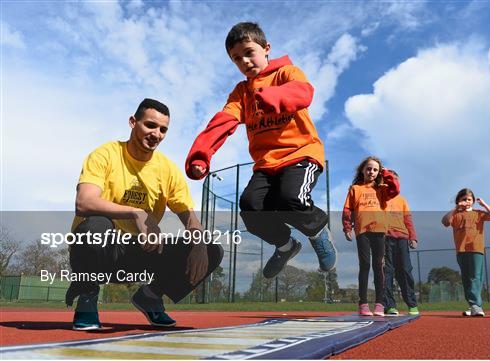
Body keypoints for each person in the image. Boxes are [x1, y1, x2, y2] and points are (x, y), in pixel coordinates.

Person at [185, 22, 335, 279]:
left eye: (249, 52)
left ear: (266, 49)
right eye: (236, 59)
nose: (244, 61)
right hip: (267, 164)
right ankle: (286, 246)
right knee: (250, 207)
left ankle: (318, 230)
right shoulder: (241, 92)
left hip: (300, 153)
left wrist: (271, 97)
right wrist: (202, 154)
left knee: (291, 199)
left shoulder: (287, 72)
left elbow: (303, 93)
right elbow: (224, 120)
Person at [67, 98, 223, 331]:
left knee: (211, 249)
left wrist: (199, 246)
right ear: (133, 122)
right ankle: (88, 295)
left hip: (140, 253)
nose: (156, 134)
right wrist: (135, 212)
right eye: (150, 125)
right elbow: (84, 202)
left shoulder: (167, 169)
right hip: (102, 253)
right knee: (95, 226)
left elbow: (190, 218)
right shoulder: (106, 154)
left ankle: (149, 296)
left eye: (163, 130)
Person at [342, 156, 399, 316]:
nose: (371, 172)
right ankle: (363, 303)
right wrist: (347, 227)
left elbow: (395, 189)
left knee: (378, 266)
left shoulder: (382, 189)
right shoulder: (355, 189)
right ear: (362, 170)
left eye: (375, 169)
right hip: (362, 231)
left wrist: (385, 173)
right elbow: (348, 210)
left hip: (380, 231)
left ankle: (380, 304)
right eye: (368, 168)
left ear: (378, 172)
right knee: (365, 265)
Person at [442, 188, 490, 317]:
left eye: (469, 199)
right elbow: (445, 221)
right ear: (458, 201)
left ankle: (476, 305)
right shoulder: (455, 215)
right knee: (467, 279)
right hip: (461, 250)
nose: (466, 201)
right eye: (463, 199)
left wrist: (483, 204)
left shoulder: (479, 213)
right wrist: (456, 208)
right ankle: (472, 305)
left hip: (476, 249)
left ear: (472, 201)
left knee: (475, 277)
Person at [382, 170, 419, 316]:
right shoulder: (380, 197)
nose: (392, 182)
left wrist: (413, 237)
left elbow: (408, 220)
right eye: (389, 179)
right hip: (384, 239)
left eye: (395, 179)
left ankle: (412, 304)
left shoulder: (402, 200)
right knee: (387, 272)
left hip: (402, 238)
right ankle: (389, 305)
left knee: (405, 270)